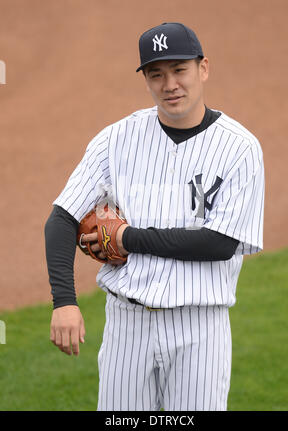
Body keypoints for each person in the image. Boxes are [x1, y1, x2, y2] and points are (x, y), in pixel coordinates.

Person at [44, 22, 265, 411]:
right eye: (156, 74)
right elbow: (62, 217)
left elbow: (218, 244)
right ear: (146, 79)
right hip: (126, 325)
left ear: (203, 68)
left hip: (201, 330)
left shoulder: (240, 148)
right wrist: (64, 301)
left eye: (179, 70)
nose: (170, 85)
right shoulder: (116, 140)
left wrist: (127, 238)